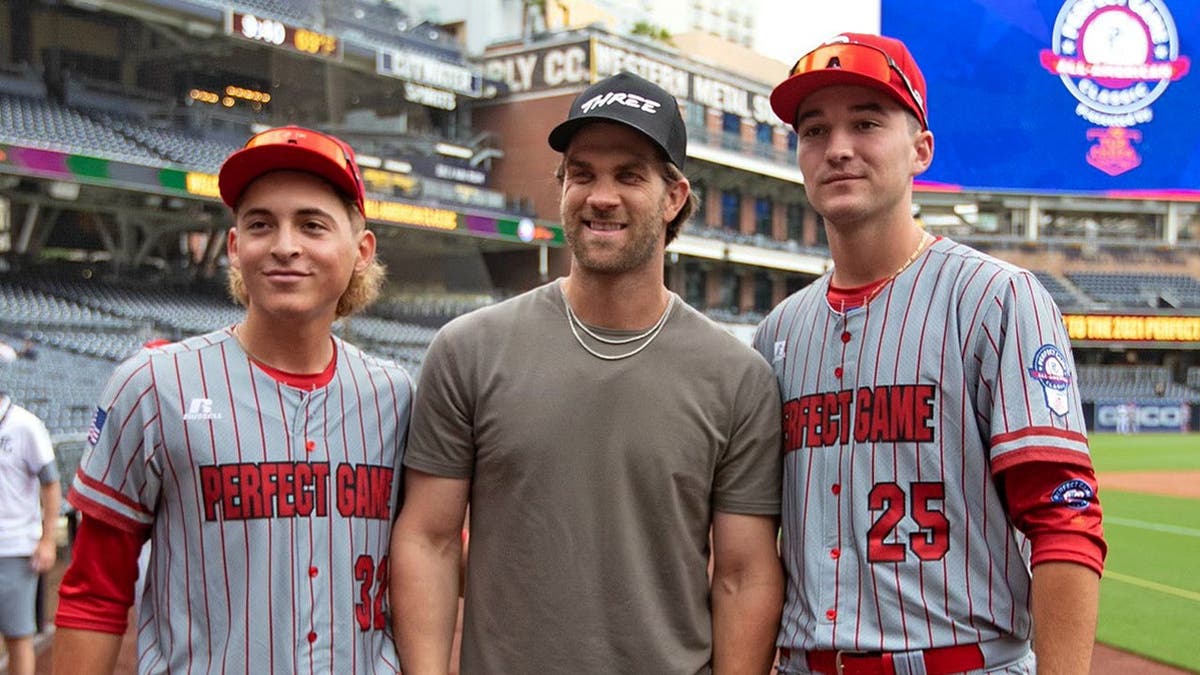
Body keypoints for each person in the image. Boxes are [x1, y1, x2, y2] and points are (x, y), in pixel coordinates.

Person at [390, 71, 784, 675]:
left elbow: (742, 574)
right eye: (582, 174)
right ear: (561, 186)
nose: (602, 196)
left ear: (674, 196)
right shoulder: (468, 349)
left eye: (629, 175)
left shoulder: (737, 377)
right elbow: (430, 539)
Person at [756, 33, 1106, 675]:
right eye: (814, 130)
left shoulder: (998, 300)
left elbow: (1064, 516)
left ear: (921, 149)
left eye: (866, 123)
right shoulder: (778, 330)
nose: (837, 148)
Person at [52, 126, 414, 673]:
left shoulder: (396, 395)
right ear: (235, 245)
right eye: (260, 224)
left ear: (361, 251)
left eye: (312, 225)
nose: (284, 245)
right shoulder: (154, 384)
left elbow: (432, 559)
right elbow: (94, 593)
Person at [0, 392, 60, 675]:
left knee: (18, 635)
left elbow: (51, 483)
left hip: (15, 548)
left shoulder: (25, 425)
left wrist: (47, 540)